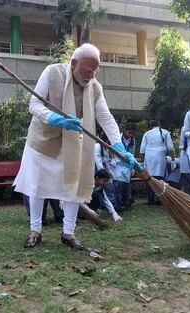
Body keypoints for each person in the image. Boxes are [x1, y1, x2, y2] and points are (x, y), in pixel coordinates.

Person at [13, 43, 140, 250]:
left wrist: (118, 145)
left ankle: (68, 233)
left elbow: (105, 117)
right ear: (73, 63)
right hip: (43, 141)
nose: (89, 76)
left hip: (72, 144)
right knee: (37, 186)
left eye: (94, 71)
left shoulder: (95, 87)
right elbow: (34, 105)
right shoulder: (52, 72)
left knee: (73, 187)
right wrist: (54, 118)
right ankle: (35, 230)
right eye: (86, 70)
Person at [139, 120, 174, 205]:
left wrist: (142, 162)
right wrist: (173, 160)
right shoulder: (165, 132)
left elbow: (142, 150)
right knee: (159, 177)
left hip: (149, 157)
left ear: (150, 126)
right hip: (160, 156)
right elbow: (170, 148)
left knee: (149, 178)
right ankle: (158, 198)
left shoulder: (147, 134)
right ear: (159, 125)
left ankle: (150, 199)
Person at [178, 127, 190, 193]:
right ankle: (187, 197)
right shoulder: (184, 128)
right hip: (185, 153)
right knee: (186, 177)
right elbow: (181, 143)